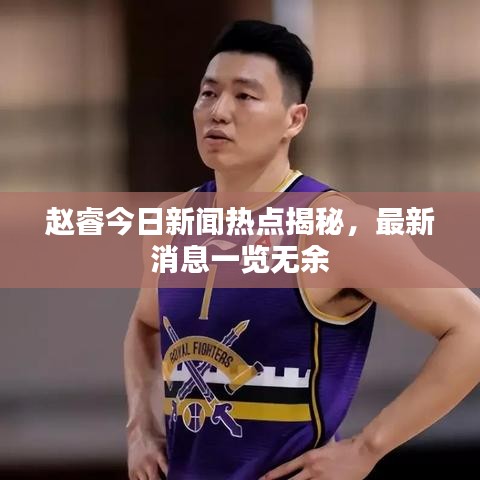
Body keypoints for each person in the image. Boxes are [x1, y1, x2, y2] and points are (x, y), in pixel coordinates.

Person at [124, 20, 480, 480]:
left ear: (294, 120)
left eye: (245, 96)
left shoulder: (333, 227)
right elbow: (144, 324)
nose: (219, 112)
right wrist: (140, 426)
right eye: (208, 93)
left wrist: (368, 447)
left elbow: (471, 329)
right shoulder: (172, 220)